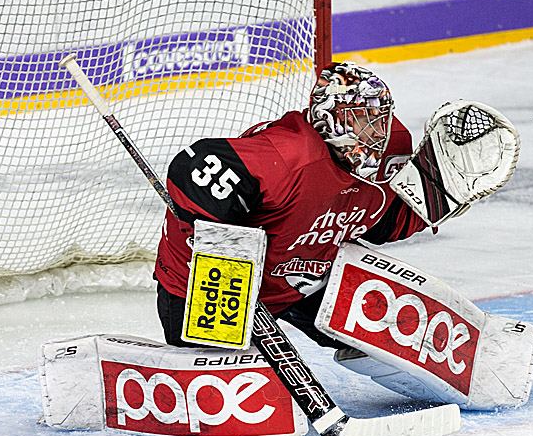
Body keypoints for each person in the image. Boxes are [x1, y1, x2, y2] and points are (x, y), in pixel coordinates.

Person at [155, 61, 431, 349]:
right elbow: (191, 167)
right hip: (212, 290)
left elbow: (382, 225)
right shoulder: (287, 156)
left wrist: (436, 197)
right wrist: (226, 256)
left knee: (394, 335)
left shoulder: (392, 147)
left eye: (382, 119)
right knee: (227, 377)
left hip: (304, 279)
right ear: (330, 116)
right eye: (365, 120)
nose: (378, 133)